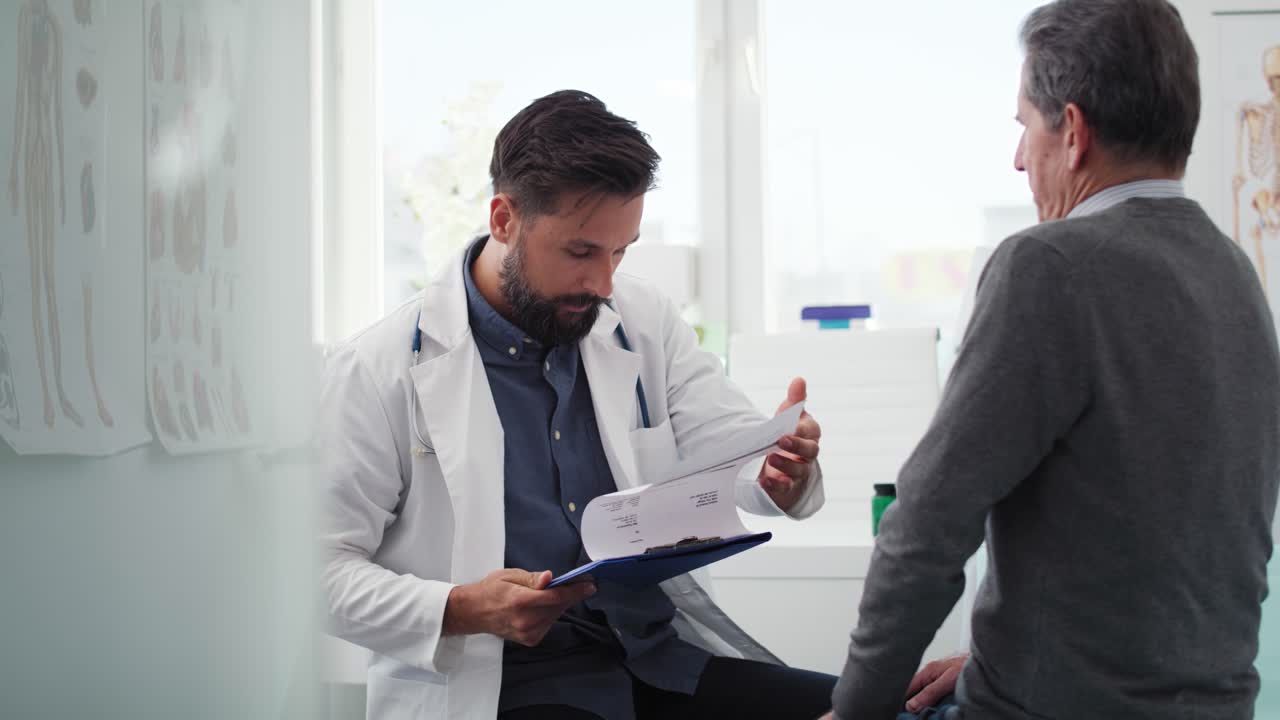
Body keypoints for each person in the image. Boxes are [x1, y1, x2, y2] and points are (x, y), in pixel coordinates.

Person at [822, 1, 1280, 718]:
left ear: (1072, 133)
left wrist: (851, 712)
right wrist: (994, 659)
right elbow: (1172, 542)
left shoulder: (1049, 265)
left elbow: (925, 533)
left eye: (1023, 126)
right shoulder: (1233, 272)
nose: (1016, 156)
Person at [319, 90, 836, 720]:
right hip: (505, 688)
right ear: (504, 219)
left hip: (658, 664)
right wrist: (460, 607)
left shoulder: (641, 319)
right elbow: (319, 575)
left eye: (621, 252)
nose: (604, 283)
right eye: (581, 251)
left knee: (885, 705)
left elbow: (734, 448)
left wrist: (782, 468)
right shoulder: (377, 368)